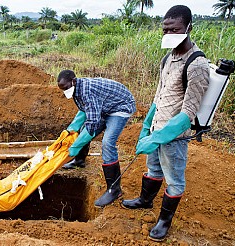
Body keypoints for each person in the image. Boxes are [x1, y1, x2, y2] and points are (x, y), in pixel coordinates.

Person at [121, 5, 210, 242]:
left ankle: (163, 221)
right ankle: (144, 200)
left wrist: (158, 138)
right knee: (154, 169)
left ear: (189, 27)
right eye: (166, 29)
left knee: (174, 180)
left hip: (174, 137)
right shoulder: (167, 57)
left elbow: (188, 113)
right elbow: (159, 96)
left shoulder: (197, 65)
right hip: (157, 127)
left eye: (176, 29)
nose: (170, 34)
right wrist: (146, 127)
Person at [57, 70, 136, 207]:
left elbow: (92, 123)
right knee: (82, 130)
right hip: (105, 106)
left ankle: (114, 190)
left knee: (107, 143)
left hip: (120, 107)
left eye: (66, 88)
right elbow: (84, 112)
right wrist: (71, 129)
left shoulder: (87, 91)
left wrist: (75, 146)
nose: (65, 91)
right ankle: (79, 161)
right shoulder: (76, 89)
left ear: (74, 81)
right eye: (62, 89)